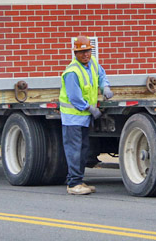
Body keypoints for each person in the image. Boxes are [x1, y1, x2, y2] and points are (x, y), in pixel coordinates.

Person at [59, 35, 113, 195]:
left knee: (83, 150)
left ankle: (78, 180)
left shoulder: (93, 63)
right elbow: (74, 97)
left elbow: (101, 75)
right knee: (74, 150)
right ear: (75, 53)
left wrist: (105, 87)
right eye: (82, 52)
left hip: (83, 118)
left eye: (88, 51)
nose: (86, 55)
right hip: (73, 117)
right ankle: (73, 183)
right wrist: (91, 108)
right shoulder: (72, 72)